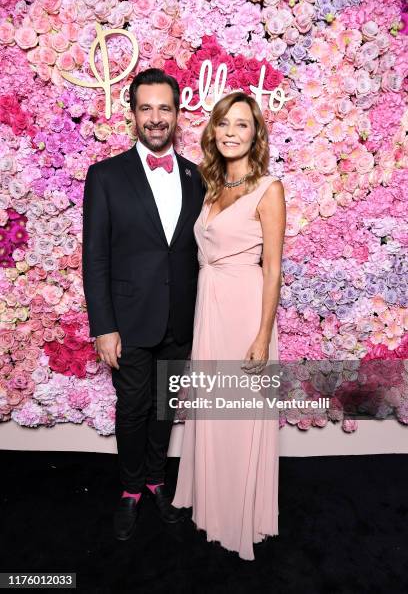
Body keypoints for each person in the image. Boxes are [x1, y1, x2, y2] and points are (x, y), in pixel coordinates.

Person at [82, 68, 205, 541]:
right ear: (132, 113)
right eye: (146, 108)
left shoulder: (197, 176)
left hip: (180, 318)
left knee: (165, 408)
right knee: (132, 408)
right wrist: (103, 326)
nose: (156, 119)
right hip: (128, 323)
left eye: (165, 109)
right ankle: (131, 490)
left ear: (177, 114)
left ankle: (157, 481)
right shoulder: (105, 176)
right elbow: (94, 256)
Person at [171, 91, 286, 560]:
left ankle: (240, 515)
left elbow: (274, 269)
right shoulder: (211, 186)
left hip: (244, 312)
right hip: (209, 308)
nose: (232, 132)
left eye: (242, 124)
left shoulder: (269, 188)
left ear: (255, 134)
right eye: (224, 124)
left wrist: (262, 336)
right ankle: (212, 506)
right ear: (213, 132)